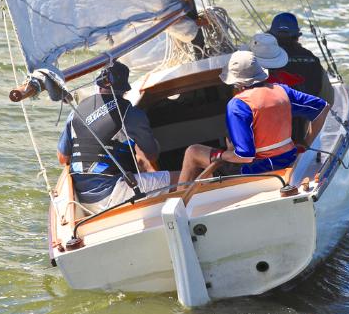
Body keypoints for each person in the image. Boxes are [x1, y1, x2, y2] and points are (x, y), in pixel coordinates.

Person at [178, 51, 330, 184]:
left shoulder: (237, 105)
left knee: (193, 152)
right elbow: (323, 108)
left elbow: (245, 157)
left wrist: (222, 155)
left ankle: (176, 200)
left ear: (238, 83)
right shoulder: (282, 91)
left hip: (254, 169)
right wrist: (307, 143)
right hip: (288, 160)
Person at [57, 60, 171, 213]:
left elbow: (62, 158)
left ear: (98, 86)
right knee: (181, 179)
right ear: (124, 90)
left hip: (80, 197)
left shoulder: (75, 111)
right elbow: (151, 155)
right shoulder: (130, 113)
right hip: (112, 193)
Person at [268, 12, 334, 104]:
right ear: (297, 36)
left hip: (265, 115)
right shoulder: (312, 60)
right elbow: (328, 100)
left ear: (270, 35)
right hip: (305, 115)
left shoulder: (258, 59)